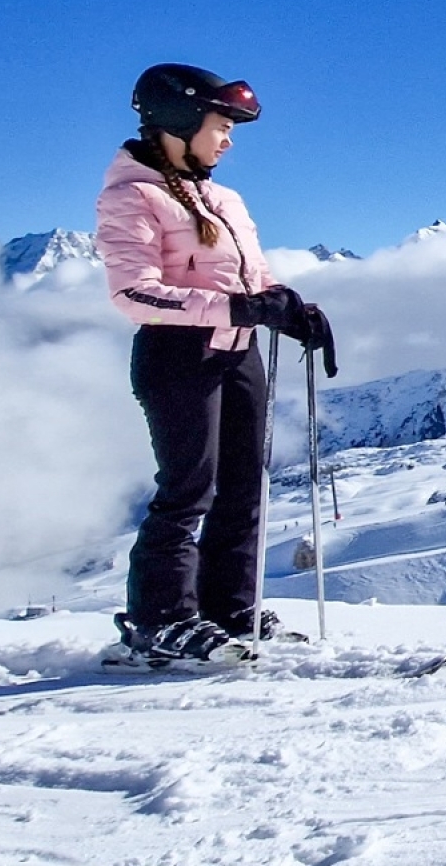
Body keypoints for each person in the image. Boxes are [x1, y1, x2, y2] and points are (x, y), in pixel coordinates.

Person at [95, 63, 332, 665]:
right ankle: (160, 619)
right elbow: (134, 292)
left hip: (237, 352)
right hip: (178, 355)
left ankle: (228, 605)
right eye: (219, 125)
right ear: (179, 121)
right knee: (187, 488)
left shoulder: (224, 198)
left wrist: (289, 307)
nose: (227, 140)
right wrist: (238, 306)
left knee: (244, 487)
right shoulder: (133, 196)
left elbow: (251, 277)